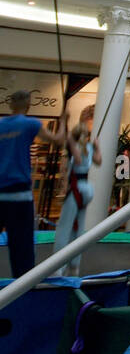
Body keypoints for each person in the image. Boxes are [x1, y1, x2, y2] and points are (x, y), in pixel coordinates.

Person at [0, 90, 68, 277]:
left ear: (10, 104)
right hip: (19, 195)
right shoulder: (30, 123)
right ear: (28, 105)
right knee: (21, 246)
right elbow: (59, 140)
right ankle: (23, 288)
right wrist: (63, 122)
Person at [52, 120, 102, 271]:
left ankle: (57, 266)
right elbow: (99, 161)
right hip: (86, 189)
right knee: (78, 228)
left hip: (77, 189)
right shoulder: (89, 147)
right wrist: (97, 147)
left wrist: (70, 140)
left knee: (64, 227)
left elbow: (78, 159)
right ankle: (74, 264)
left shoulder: (77, 147)